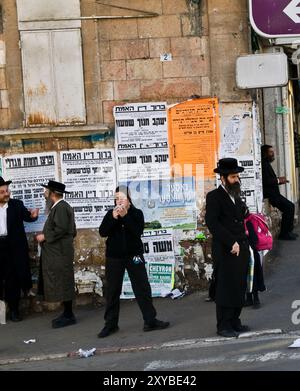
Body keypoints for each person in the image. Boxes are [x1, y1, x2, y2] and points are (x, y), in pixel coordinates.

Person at [98, 185, 170, 338]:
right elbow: (103, 232)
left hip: (134, 256)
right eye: (116, 198)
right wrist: (114, 217)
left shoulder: (137, 213)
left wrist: (125, 216)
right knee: (112, 290)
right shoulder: (110, 214)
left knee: (142, 287)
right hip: (114, 257)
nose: (119, 201)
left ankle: (150, 321)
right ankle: (110, 325)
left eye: (122, 198)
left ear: (129, 198)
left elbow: (137, 232)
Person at [205, 158, 250, 338]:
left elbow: (239, 218)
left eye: (237, 176)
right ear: (223, 178)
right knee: (225, 287)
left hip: (242, 246)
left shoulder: (236, 195)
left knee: (239, 285)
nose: (236, 179)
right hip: (226, 248)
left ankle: (234, 321)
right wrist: (231, 242)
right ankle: (223, 325)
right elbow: (212, 223)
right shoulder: (214, 197)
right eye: (233, 177)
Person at [36, 180, 77, 329]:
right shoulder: (59, 207)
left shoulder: (61, 207)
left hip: (60, 253)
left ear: (52, 193)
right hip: (59, 252)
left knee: (64, 280)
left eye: (46, 191)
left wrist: (45, 237)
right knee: (62, 280)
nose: (44, 194)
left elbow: (61, 228)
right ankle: (67, 313)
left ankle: (69, 315)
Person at [0, 176, 39, 321]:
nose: (6, 194)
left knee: (12, 280)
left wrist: (33, 216)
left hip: (12, 247)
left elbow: (28, 217)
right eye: (2, 192)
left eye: (7, 190)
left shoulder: (16, 204)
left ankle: (14, 311)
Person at [261, 145, 297, 240]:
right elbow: (266, 181)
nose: (273, 154)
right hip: (271, 195)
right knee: (289, 207)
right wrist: (278, 180)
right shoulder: (263, 164)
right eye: (270, 152)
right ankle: (284, 234)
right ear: (265, 153)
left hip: (274, 193)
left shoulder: (266, 163)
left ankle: (288, 231)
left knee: (290, 206)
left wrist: (280, 181)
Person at [243, 205, 266, 309]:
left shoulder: (248, 223)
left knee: (253, 276)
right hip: (243, 254)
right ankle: (248, 299)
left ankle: (256, 299)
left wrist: (246, 242)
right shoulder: (239, 223)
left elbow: (255, 240)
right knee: (245, 277)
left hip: (252, 254)